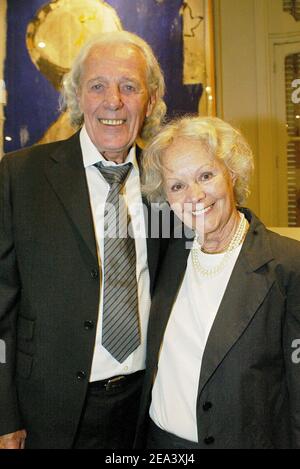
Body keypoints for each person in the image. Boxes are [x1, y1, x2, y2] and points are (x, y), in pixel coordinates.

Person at [0, 30, 167, 449]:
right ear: (78, 96)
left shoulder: (164, 183)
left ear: (149, 99)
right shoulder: (20, 176)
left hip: (146, 407)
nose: (113, 101)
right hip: (48, 411)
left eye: (129, 86)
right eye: (98, 86)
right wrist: (4, 416)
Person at [135, 116, 300, 449]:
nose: (194, 195)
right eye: (177, 185)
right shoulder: (170, 254)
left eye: (206, 175)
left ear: (232, 173)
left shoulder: (287, 265)